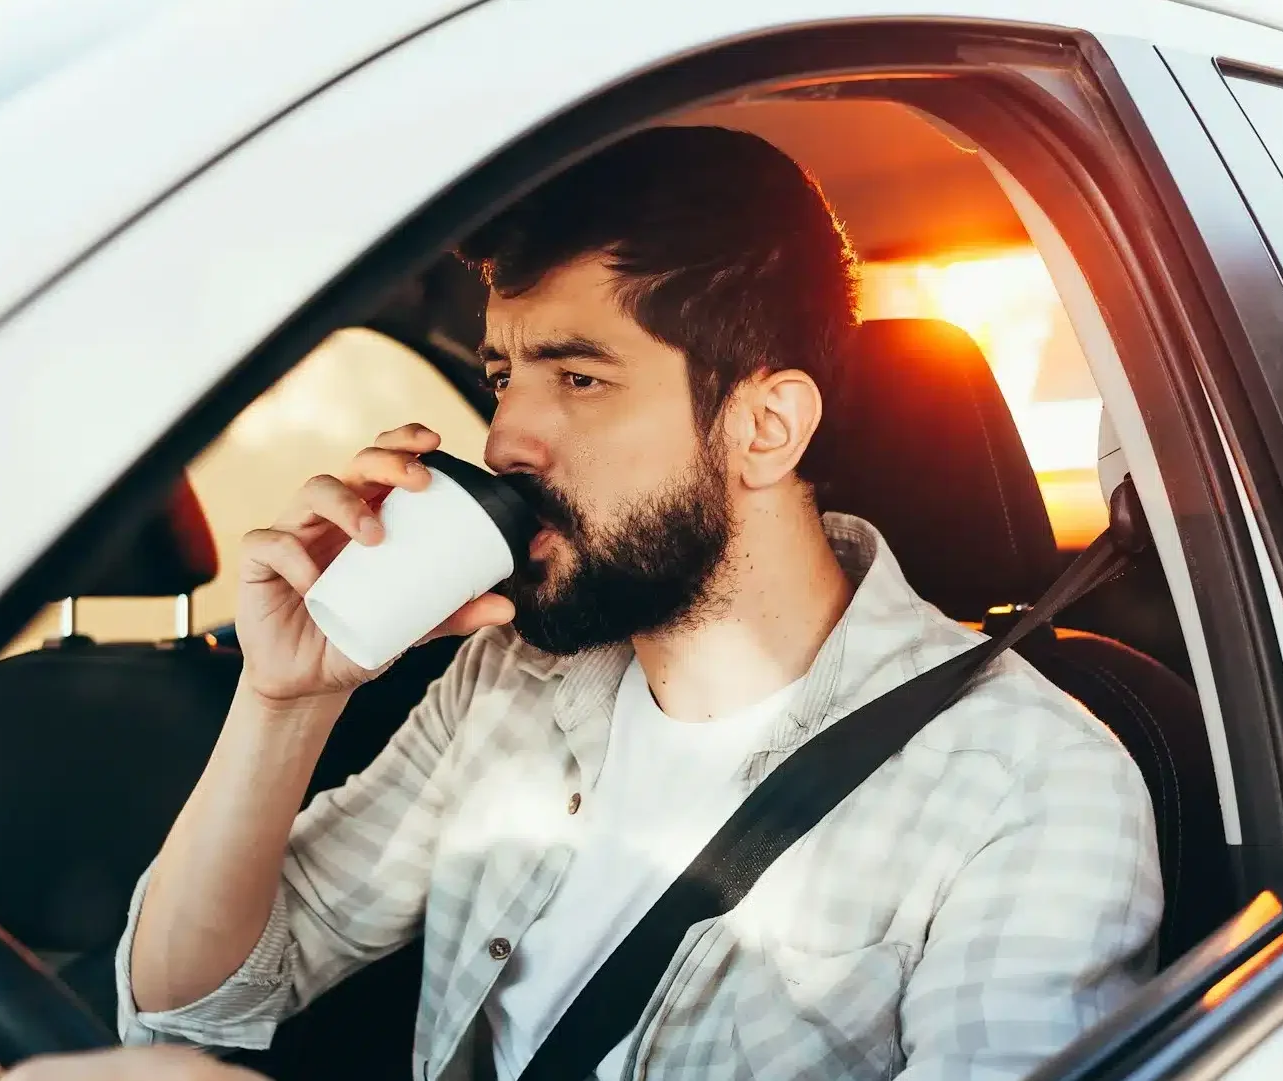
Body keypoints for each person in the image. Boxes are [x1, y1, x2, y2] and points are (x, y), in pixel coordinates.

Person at [116, 126, 1161, 1081]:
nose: (505, 441)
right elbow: (191, 1000)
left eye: (578, 379)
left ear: (763, 428)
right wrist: (286, 696)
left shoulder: (1027, 785)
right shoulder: (512, 683)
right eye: (502, 375)